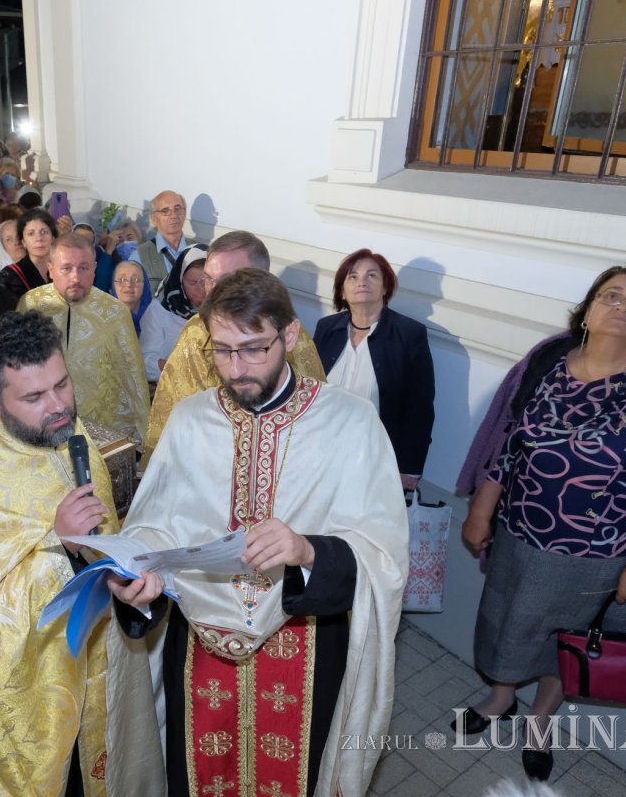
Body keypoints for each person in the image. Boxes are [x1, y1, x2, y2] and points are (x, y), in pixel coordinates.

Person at [109, 268, 408, 796]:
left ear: (289, 336)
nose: (236, 368)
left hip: (307, 640)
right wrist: (136, 573)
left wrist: (308, 550)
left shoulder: (351, 422)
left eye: (252, 349)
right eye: (222, 351)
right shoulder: (190, 419)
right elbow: (156, 521)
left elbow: (381, 553)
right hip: (198, 641)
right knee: (198, 775)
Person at [455, 264, 626, 781]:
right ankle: (501, 697)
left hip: (599, 555)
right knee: (505, 620)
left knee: (568, 639)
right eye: (611, 296)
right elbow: (509, 438)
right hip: (519, 534)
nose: (624, 307)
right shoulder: (547, 360)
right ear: (588, 310)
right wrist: (481, 507)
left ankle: (540, 720)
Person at [0, 310, 155, 796]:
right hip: (39, 699)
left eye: (62, 384)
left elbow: (106, 534)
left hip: (101, 661)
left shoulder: (71, 435)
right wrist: (61, 549)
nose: (58, 406)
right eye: (33, 397)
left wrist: (121, 571)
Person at [145, 230, 325, 461]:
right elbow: (175, 415)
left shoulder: (292, 337)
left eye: (228, 280)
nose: (213, 290)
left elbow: (312, 420)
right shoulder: (195, 333)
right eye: (209, 279)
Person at [313, 249, 435, 489]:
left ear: (385, 287)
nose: (362, 282)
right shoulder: (326, 328)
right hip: (322, 451)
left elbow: (420, 409)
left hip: (376, 459)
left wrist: (409, 468)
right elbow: (309, 389)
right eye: (353, 276)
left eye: (371, 275)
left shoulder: (409, 334)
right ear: (342, 290)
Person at [18, 233, 150, 448]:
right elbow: (17, 368)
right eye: (66, 268)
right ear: (50, 269)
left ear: (95, 268)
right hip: (44, 421)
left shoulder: (114, 312)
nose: (75, 278)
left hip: (102, 428)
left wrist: (143, 439)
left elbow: (133, 376)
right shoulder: (31, 304)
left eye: (84, 268)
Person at [139, 246, 207, 383]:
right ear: (180, 281)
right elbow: (146, 363)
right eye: (192, 282)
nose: (201, 289)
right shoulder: (159, 310)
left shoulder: (223, 309)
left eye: (206, 281)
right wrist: (185, 369)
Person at [136, 190, 196, 295]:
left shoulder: (198, 250)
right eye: (165, 211)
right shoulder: (139, 255)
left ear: (184, 213)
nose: (173, 215)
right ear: (154, 219)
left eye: (177, 209)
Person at [0, 208, 56, 299]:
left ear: (53, 237)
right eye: (31, 234)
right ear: (23, 241)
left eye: (44, 232)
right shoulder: (9, 276)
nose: (39, 238)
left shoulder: (64, 268)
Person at [109, 259, 152, 334]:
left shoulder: (159, 316)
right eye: (122, 279)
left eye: (136, 279)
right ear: (113, 285)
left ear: (144, 285)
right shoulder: (102, 321)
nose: (129, 284)